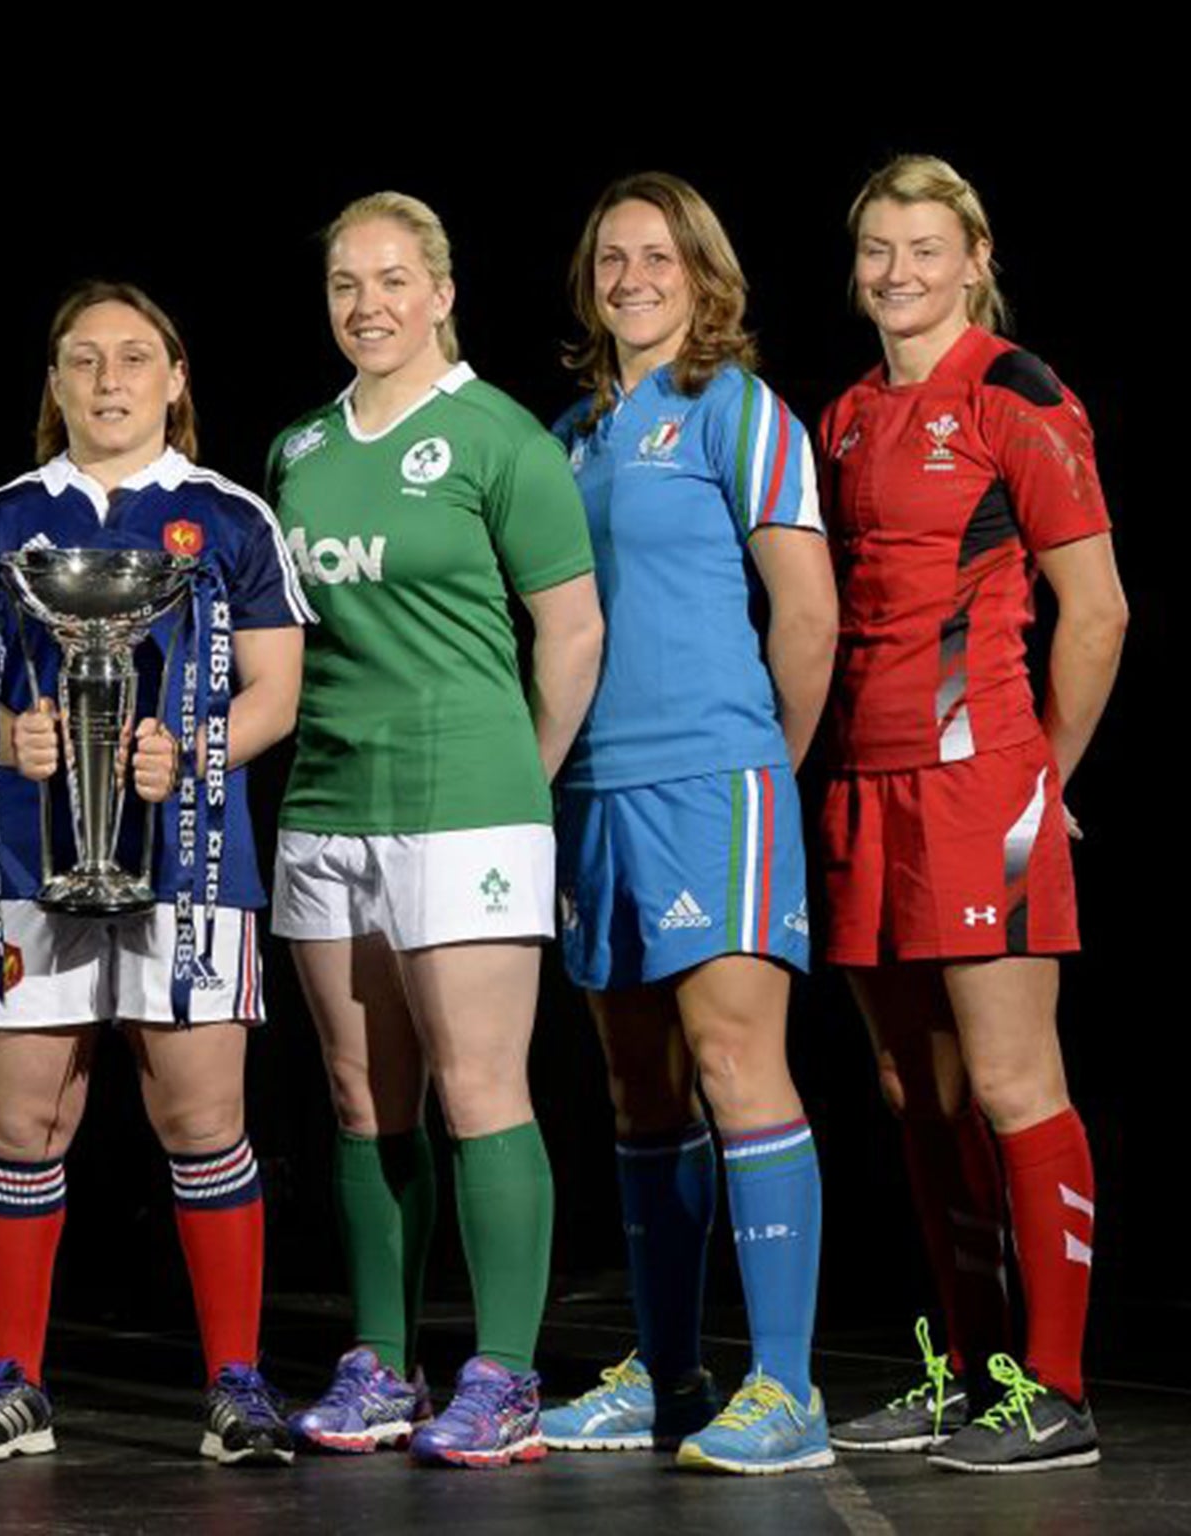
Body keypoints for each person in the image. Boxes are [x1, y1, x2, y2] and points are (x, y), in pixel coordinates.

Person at [0, 280, 311, 1467]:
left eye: (132, 358)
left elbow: (274, 691)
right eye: (81, 360)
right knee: (23, 1119)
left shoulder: (229, 517)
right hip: (25, 867)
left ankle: (235, 1384)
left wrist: (190, 750)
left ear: (175, 378)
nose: (106, 380)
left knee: (200, 1117)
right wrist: (3, 734)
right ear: (52, 384)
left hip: (189, 862)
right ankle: (14, 1384)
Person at [269, 192, 604, 1468]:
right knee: (362, 1100)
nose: (369, 305)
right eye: (347, 283)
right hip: (325, 801)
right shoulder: (296, 451)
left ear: (442, 292)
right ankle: (379, 1364)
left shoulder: (495, 438)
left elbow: (568, 631)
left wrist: (520, 773)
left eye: (394, 279)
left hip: (464, 800)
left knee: (478, 1090)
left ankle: (505, 1373)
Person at [816, 155, 1126, 1474]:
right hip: (861, 782)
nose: (899, 272)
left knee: (1009, 1079)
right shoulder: (838, 417)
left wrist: (1037, 778)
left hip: (980, 776)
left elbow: (1099, 612)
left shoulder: (1019, 394)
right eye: (879, 248)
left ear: (975, 253)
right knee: (911, 1086)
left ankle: (1054, 1391)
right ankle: (974, 1366)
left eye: (925, 247)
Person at [532, 173, 838, 1475]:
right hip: (590, 794)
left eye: (660, 256)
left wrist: (762, 770)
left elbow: (810, 620)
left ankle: (789, 1394)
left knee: (734, 1066)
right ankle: (669, 1371)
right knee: (639, 1089)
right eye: (612, 257)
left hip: (715, 784)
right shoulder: (567, 436)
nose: (634, 277)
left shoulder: (741, 411)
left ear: (707, 277)